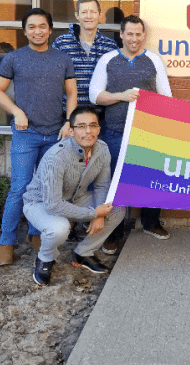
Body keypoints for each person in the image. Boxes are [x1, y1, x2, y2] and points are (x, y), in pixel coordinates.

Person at [0, 8, 78, 266]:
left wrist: (69, 123)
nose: (37, 31)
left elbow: (72, 94)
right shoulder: (13, 58)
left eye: (42, 26)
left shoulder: (62, 59)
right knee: (19, 188)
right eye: (32, 27)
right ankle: (6, 243)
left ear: (50, 30)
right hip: (25, 134)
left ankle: (35, 233)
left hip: (55, 134)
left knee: (47, 188)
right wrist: (16, 111)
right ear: (24, 30)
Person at [89, 14, 173, 248]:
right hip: (115, 132)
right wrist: (121, 96)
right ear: (121, 35)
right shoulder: (108, 59)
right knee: (115, 184)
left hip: (147, 134)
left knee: (150, 181)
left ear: (143, 35)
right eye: (130, 34)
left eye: (138, 34)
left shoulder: (154, 60)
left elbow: (167, 98)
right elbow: (94, 94)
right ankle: (114, 233)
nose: (134, 39)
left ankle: (150, 222)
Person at [22, 106, 127, 284]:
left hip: (75, 197)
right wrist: (94, 213)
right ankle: (45, 259)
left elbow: (102, 185)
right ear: (71, 130)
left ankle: (83, 253)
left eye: (93, 125)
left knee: (117, 209)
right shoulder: (56, 156)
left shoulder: (102, 149)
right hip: (40, 202)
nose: (88, 131)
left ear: (99, 129)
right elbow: (53, 205)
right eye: (81, 126)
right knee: (59, 228)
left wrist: (100, 214)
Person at [51, 0, 120, 123]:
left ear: (99, 14)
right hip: (68, 117)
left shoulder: (110, 47)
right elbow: (52, 81)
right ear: (77, 15)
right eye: (84, 12)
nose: (89, 16)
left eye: (93, 12)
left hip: (101, 119)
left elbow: (115, 83)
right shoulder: (62, 43)